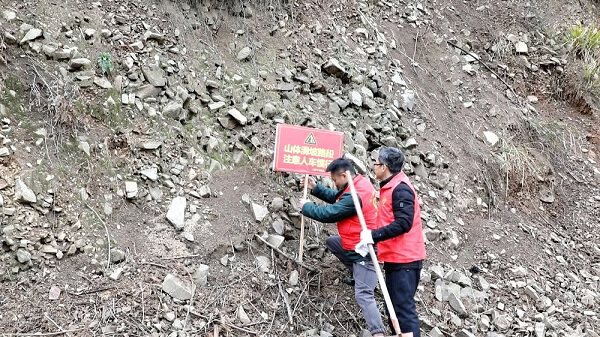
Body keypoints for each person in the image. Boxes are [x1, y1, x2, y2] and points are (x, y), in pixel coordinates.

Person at [300, 158, 386, 337]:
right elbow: (338, 197)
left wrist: (307, 207)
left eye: (335, 180)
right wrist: (315, 188)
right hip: (354, 244)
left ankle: (378, 332)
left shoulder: (357, 195)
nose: (334, 183)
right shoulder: (357, 183)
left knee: (363, 295)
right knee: (332, 242)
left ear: (344, 175)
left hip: (366, 252)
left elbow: (330, 213)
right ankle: (357, 274)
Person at [355, 147, 426, 337]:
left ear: (384, 167)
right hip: (396, 258)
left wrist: (374, 235)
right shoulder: (390, 186)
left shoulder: (400, 189)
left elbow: (404, 223)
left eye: (376, 163)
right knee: (393, 308)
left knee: (402, 310)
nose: (373, 167)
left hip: (405, 260)